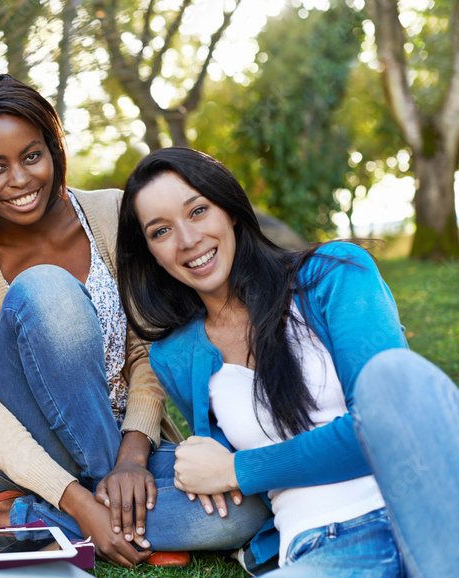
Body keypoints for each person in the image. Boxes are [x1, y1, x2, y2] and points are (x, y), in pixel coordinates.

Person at [0, 75, 270, 568]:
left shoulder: (112, 212)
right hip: (32, 460)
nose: (19, 180)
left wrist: (131, 458)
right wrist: (78, 501)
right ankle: (89, 510)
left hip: (130, 441)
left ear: (54, 148)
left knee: (246, 506)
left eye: (31, 155)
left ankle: (17, 520)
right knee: (45, 289)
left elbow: (146, 347)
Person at [117, 146, 459, 576]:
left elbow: (384, 425)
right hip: (326, 547)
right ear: (149, 252)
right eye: (161, 231)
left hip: (431, 512)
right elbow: (222, 483)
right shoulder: (176, 356)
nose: (187, 240)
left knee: (393, 375)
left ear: (231, 210)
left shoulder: (334, 275)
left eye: (198, 211)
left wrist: (235, 469)